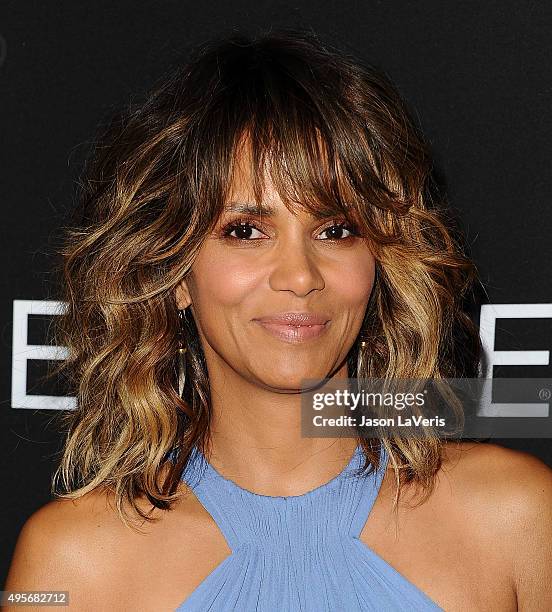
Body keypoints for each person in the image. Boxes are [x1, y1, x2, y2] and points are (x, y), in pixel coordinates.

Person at [4, 29, 551, 612]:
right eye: (245, 231)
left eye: (336, 230)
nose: (299, 274)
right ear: (176, 271)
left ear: (381, 260)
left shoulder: (515, 516)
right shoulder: (71, 563)